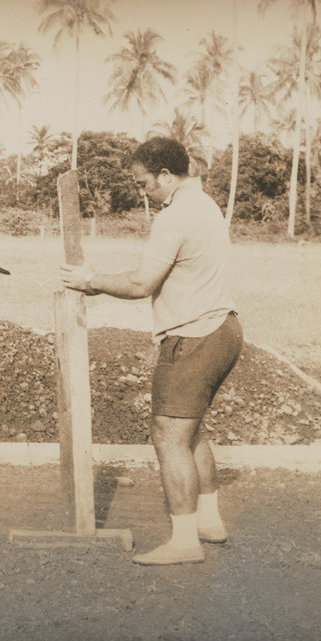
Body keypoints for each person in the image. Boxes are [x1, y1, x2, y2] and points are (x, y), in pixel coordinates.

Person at [59, 137, 242, 565]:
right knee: (191, 429)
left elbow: (142, 284)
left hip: (194, 335)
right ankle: (208, 521)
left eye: (145, 184)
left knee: (168, 434)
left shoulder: (175, 216)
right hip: (225, 330)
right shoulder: (207, 205)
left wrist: (90, 280)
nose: (144, 192)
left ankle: (184, 543)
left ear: (165, 175)